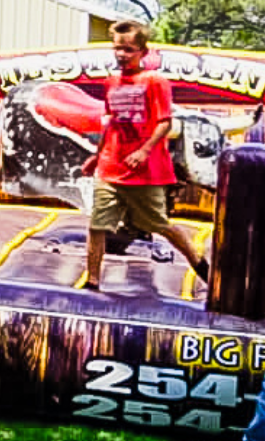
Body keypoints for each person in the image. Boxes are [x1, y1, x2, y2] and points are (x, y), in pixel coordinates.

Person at [77, 19, 209, 290]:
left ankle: (201, 265)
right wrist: (96, 154)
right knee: (97, 225)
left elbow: (165, 122)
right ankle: (92, 281)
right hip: (110, 167)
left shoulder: (154, 82)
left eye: (128, 50)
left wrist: (143, 150)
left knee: (160, 225)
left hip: (144, 172)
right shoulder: (112, 82)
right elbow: (111, 121)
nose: (121, 55)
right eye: (117, 49)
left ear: (142, 52)